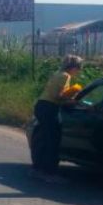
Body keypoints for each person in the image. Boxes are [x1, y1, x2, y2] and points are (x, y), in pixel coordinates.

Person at [31, 54, 84, 183]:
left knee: (45, 139)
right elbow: (58, 96)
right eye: (79, 67)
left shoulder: (57, 74)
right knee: (53, 141)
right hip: (49, 107)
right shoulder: (66, 76)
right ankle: (49, 173)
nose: (79, 70)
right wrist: (72, 99)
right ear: (72, 67)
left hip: (41, 105)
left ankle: (37, 169)